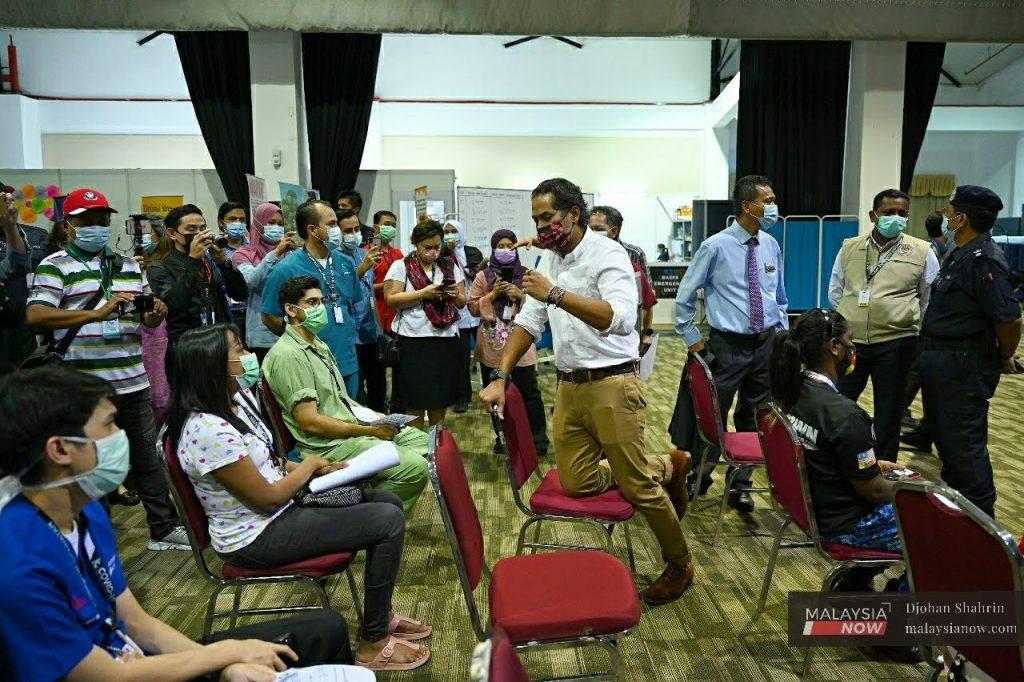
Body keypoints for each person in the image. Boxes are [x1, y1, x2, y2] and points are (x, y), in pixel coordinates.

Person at [0, 365, 356, 681]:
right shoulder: (18, 565)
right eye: (109, 424)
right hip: (115, 673)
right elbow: (106, 676)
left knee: (326, 630)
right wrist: (225, 655)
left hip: (133, 658)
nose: (120, 435)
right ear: (60, 450)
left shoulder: (86, 509)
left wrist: (217, 664)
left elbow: (137, 623)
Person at [167, 324, 431, 671]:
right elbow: (267, 499)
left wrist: (313, 470)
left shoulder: (231, 405)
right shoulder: (206, 429)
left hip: (279, 513)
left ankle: (380, 614)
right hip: (256, 536)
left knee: (387, 501)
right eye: (239, 350)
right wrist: (307, 467)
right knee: (387, 521)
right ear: (213, 365)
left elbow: (268, 464)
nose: (248, 356)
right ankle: (373, 641)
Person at [479, 177, 694, 605]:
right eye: (536, 219)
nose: (542, 227)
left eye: (549, 217)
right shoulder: (548, 257)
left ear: (574, 214)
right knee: (578, 483)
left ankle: (680, 563)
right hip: (569, 386)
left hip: (613, 383)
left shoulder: (607, 253)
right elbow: (529, 322)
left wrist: (556, 293)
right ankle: (665, 465)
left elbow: (619, 318)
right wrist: (501, 376)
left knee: (635, 487)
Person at [26, 187, 188, 551]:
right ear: (69, 226)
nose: (97, 227)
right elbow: (35, 315)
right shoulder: (55, 265)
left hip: (133, 379)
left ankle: (163, 528)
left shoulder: (129, 265)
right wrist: (94, 314)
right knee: (90, 463)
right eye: (88, 221)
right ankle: (99, 537)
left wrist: (153, 312)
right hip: (84, 386)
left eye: (102, 220)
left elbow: (146, 317)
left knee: (147, 456)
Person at [770, 310, 925, 665]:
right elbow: (872, 492)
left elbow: (826, 456)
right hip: (844, 523)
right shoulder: (845, 414)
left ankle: (852, 584)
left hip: (811, 509)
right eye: (851, 342)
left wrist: (875, 466)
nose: (855, 348)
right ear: (835, 348)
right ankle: (895, 632)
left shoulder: (792, 393)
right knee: (940, 529)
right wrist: (915, 489)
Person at [264, 275, 429, 511]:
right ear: (291, 309)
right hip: (328, 445)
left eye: (321, 302)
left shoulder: (317, 343)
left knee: (428, 443)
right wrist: (369, 430)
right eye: (312, 303)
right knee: (414, 468)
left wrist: (375, 417)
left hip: (351, 427)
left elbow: (341, 401)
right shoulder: (289, 356)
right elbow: (310, 423)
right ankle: (369, 521)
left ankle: (372, 491)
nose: (321, 309)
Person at [674, 175, 789, 513]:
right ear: (747, 206)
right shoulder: (716, 246)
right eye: (767, 201)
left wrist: (780, 332)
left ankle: (741, 484)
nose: (772, 207)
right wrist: (693, 340)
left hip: (765, 344)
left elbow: (778, 295)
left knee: (756, 414)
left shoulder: (770, 244)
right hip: (726, 345)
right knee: (711, 413)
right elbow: (684, 297)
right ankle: (700, 475)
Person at [917, 185, 1021, 519]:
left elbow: (1008, 318)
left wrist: (1004, 354)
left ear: (961, 219)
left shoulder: (983, 258)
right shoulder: (959, 251)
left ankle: (981, 527)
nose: (945, 215)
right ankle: (958, 520)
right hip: (944, 363)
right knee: (949, 444)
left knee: (964, 446)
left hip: (963, 365)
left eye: (949, 210)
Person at [826, 189, 938, 464]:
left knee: (889, 411)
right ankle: (839, 461)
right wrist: (853, 318)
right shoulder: (850, 246)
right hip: (852, 342)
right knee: (842, 403)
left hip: (897, 342)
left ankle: (884, 470)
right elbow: (836, 291)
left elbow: (926, 298)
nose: (896, 218)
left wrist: (902, 319)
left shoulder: (922, 251)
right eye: (889, 213)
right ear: (873, 215)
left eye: (902, 214)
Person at [262, 200, 363, 397]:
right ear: (312, 229)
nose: (338, 229)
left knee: (351, 420)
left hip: (346, 359)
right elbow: (268, 315)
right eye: (331, 224)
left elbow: (351, 305)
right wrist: (297, 337)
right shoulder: (285, 268)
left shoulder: (345, 262)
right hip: (309, 363)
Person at [469, 229, 548, 456]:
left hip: (520, 342)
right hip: (492, 344)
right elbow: (473, 307)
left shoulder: (527, 275)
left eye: (510, 246)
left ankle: (537, 439)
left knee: (529, 393)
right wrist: (493, 295)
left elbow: (540, 306)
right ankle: (503, 438)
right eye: (500, 246)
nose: (505, 250)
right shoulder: (483, 276)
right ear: (493, 249)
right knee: (495, 395)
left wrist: (520, 295)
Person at [148, 203, 249, 380]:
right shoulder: (160, 267)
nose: (199, 234)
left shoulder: (209, 262)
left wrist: (224, 265)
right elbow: (173, 305)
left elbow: (241, 294)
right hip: (186, 351)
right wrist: (193, 259)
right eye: (191, 229)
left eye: (202, 228)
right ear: (172, 234)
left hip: (219, 347)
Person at [385, 219, 467, 430]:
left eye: (436, 247)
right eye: (427, 248)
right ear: (416, 244)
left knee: (440, 401)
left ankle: (437, 446)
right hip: (413, 342)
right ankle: (418, 448)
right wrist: (424, 293)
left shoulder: (449, 265)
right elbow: (391, 299)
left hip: (444, 340)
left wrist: (453, 294)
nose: (432, 252)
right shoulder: (401, 266)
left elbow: (462, 301)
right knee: (414, 403)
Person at [902, 210, 951, 438]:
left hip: (939, 325)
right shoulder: (929, 251)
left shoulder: (941, 249)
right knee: (917, 372)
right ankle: (908, 415)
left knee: (926, 376)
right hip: (929, 323)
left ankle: (926, 427)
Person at [232, 202, 299, 364]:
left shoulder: (291, 254)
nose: (276, 227)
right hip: (261, 333)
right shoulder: (242, 254)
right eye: (271, 223)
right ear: (259, 224)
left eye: (280, 224)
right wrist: (275, 254)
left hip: (290, 329)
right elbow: (252, 282)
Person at [591, 206, 658, 354]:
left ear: (614, 231)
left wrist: (646, 333)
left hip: (626, 335)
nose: (592, 233)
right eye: (589, 228)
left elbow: (646, 300)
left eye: (598, 228)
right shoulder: (583, 255)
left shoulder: (633, 256)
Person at [339, 209, 387, 412]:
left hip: (371, 331)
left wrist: (379, 329)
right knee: (356, 389)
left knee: (378, 383)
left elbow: (369, 294)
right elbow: (343, 293)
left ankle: (382, 422)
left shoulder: (363, 253)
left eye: (356, 229)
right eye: (348, 230)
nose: (354, 234)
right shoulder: (335, 258)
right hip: (350, 334)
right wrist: (362, 269)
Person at [442, 219, 482, 413]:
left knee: (488, 353)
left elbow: (480, 274)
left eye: (453, 231)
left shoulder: (473, 252)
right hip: (458, 313)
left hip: (478, 308)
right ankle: (462, 396)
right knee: (462, 357)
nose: (450, 235)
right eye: (446, 231)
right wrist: (448, 252)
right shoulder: (442, 255)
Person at [372, 209, 403, 332]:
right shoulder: (367, 252)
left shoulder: (398, 253)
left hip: (396, 315)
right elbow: (364, 287)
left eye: (393, 225)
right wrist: (387, 286)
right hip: (376, 314)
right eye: (387, 225)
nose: (391, 228)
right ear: (376, 228)